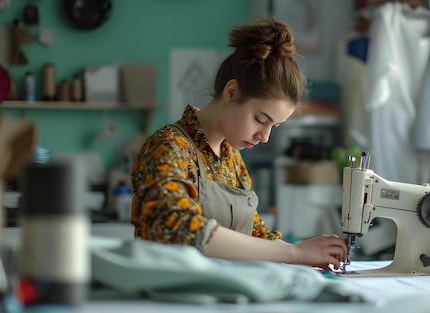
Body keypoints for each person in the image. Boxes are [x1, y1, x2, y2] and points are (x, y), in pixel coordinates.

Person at [130, 18, 347, 270]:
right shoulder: (169, 147)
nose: (264, 137)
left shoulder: (231, 158)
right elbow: (178, 227)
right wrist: (295, 252)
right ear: (231, 92)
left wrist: (308, 253)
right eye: (260, 119)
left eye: (273, 127)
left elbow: (255, 236)